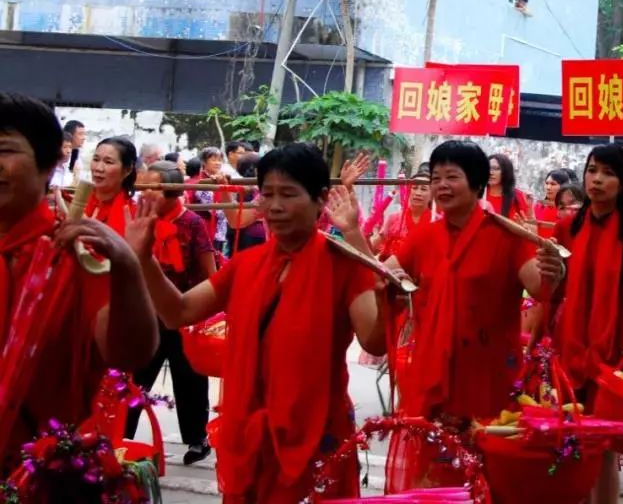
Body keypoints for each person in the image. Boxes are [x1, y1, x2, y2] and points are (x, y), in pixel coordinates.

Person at [128, 143, 388, 502]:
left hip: (317, 435)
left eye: (289, 194)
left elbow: (374, 342)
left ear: (320, 199)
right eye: (267, 195)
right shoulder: (246, 264)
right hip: (248, 435)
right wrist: (143, 259)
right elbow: (179, 312)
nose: (276, 207)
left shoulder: (342, 265)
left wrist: (383, 289)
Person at [369, 142, 560, 490]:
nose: (441, 185)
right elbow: (383, 274)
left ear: (476, 185)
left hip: (486, 378)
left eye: (452, 177)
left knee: (483, 474)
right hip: (432, 374)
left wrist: (554, 272)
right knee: (433, 474)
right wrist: (352, 233)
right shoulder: (424, 236)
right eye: (436, 177)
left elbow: (537, 286)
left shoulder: (507, 235)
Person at [0, 93, 157, 471]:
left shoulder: (76, 257)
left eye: (5, 149)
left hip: (37, 474)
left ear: (52, 162)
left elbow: (130, 354)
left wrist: (129, 267)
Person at [551, 144, 623, 504]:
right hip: (569, 347)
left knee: (602, 445)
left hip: (616, 351)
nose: (597, 179)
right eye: (592, 170)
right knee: (571, 440)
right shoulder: (567, 226)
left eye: (608, 173)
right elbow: (551, 292)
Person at [123, 162, 216, 465]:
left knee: (189, 378)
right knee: (134, 379)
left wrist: (203, 317)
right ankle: (122, 436)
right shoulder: (138, 219)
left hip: (183, 314)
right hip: (145, 314)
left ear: (174, 190)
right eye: (142, 187)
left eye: (154, 188)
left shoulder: (192, 222)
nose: (145, 194)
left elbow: (208, 272)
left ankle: (197, 439)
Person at [372, 165, 433, 260]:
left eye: (424, 189)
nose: (418, 193)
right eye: (414, 188)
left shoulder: (436, 223)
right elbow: (373, 245)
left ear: (432, 195)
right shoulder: (394, 218)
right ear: (409, 191)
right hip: (387, 270)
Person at [87, 137, 138, 236]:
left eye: (108, 162)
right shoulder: (77, 203)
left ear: (127, 170)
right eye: (96, 159)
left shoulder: (133, 214)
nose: (98, 168)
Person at [222, 153, 267, 254]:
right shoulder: (265, 194)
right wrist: (224, 188)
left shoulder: (263, 192)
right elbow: (236, 220)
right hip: (253, 237)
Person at [188, 147, 228, 252]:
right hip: (206, 227)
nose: (218, 163)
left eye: (220, 160)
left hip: (219, 228)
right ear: (204, 162)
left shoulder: (220, 178)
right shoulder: (201, 181)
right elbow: (218, 210)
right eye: (214, 159)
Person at [485, 153, 529, 220]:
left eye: (496, 169)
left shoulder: (518, 196)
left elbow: (528, 225)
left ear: (506, 171)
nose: (491, 172)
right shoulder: (478, 194)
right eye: (488, 168)